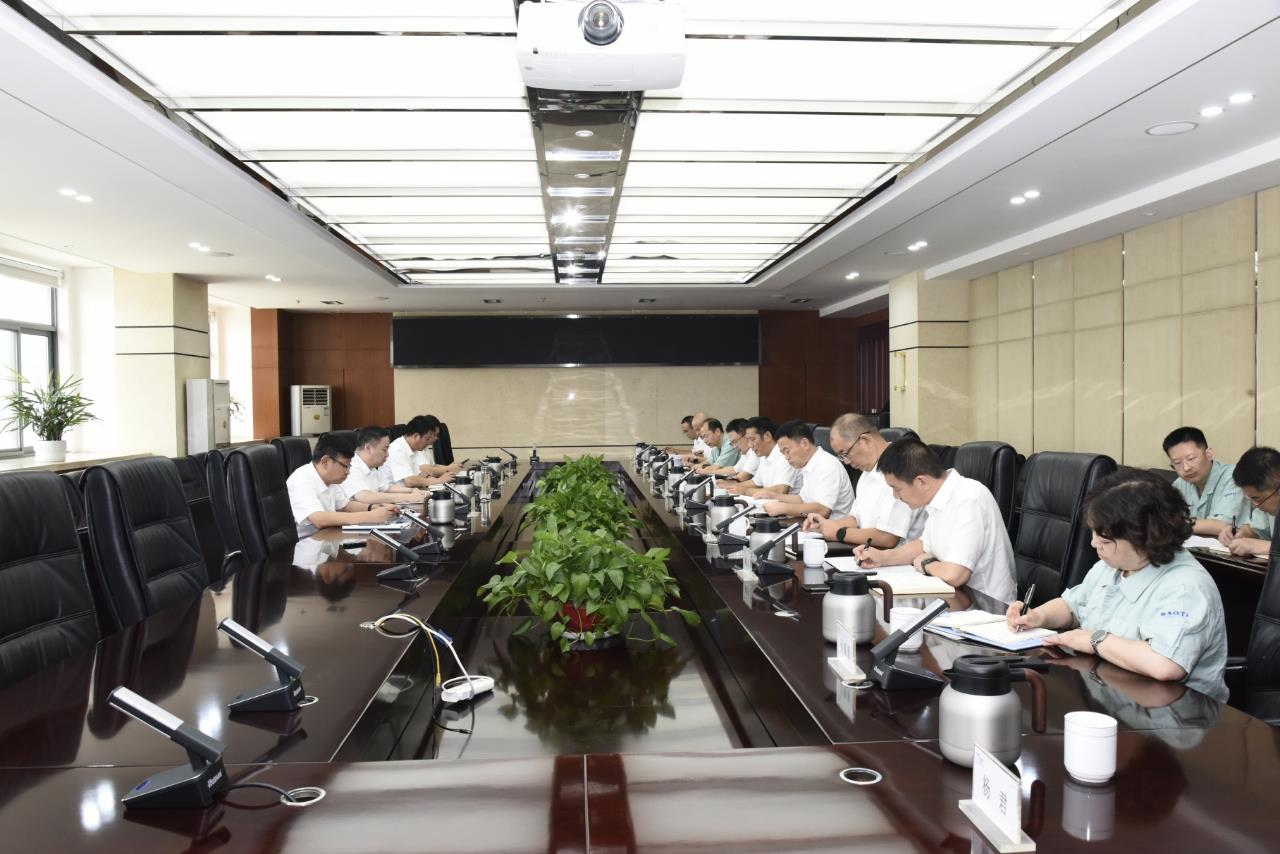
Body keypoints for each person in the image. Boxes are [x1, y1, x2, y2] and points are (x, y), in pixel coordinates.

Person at [1006, 470, 1228, 702]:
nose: (1094, 543)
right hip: (1111, 693)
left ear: (1145, 537)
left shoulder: (1185, 587)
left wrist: (1096, 640)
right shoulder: (1112, 565)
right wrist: (1037, 616)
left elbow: (1165, 664)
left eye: (1104, 539)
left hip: (1174, 711)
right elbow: (1073, 606)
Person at [854, 438, 1015, 602]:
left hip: (986, 608)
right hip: (953, 599)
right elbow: (924, 546)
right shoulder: (938, 498)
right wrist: (882, 557)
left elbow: (954, 575)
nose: (895, 496)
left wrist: (926, 564)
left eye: (897, 489)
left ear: (922, 482)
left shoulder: (970, 498)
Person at [802, 413, 925, 548]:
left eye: (845, 453)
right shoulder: (867, 471)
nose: (846, 461)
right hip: (867, 552)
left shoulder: (901, 468)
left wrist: (839, 533)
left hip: (897, 557)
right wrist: (824, 525)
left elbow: (887, 538)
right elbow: (856, 519)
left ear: (865, 440)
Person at [286, 433, 399, 537]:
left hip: (328, 539)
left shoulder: (330, 479)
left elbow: (345, 506)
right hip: (307, 545)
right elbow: (319, 519)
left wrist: (373, 508)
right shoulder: (302, 479)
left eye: (349, 466)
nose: (348, 472)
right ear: (325, 461)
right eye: (345, 466)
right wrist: (372, 516)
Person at [1163, 426, 1249, 537]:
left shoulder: (1234, 476)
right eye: (1177, 463)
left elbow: (1223, 525)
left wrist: (1174, 524)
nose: (1186, 468)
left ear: (1209, 454)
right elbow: (1165, 516)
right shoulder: (1180, 484)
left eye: (1191, 459)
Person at [759, 420, 855, 519]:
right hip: (814, 524)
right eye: (783, 453)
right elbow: (803, 499)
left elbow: (823, 510)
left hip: (835, 526)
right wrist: (773, 496)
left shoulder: (828, 465)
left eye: (787, 451)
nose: (786, 457)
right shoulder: (808, 464)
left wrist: (783, 508)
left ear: (804, 443)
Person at [1216, 446, 1280, 556]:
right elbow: (1255, 528)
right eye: (1250, 499)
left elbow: (1261, 545)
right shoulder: (1267, 504)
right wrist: (1239, 534)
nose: (1257, 505)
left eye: (1256, 499)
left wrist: (1267, 547)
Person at [341, 426, 428, 506]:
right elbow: (365, 497)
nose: (387, 455)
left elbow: (386, 488)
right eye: (384, 450)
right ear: (368, 448)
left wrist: (412, 491)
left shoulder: (371, 467)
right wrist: (407, 497)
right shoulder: (351, 466)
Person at [723, 416, 802, 496]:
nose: (750, 445)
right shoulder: (763, 455)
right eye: (748, 440)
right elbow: (756, 482)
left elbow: (780, 490)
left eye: (753, 439)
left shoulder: (784, 454)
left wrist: (745, 491)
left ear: (767, 436)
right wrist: (731, 487)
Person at [387, 415, 455, 488]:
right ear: (416, 436)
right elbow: (410, 481)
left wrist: (444, 478)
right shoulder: (397, 449)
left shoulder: (413, 449)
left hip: (410, 492)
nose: (429, 442)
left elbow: (420, 474)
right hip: (395, 494)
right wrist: (439, 480)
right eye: (427, 439)